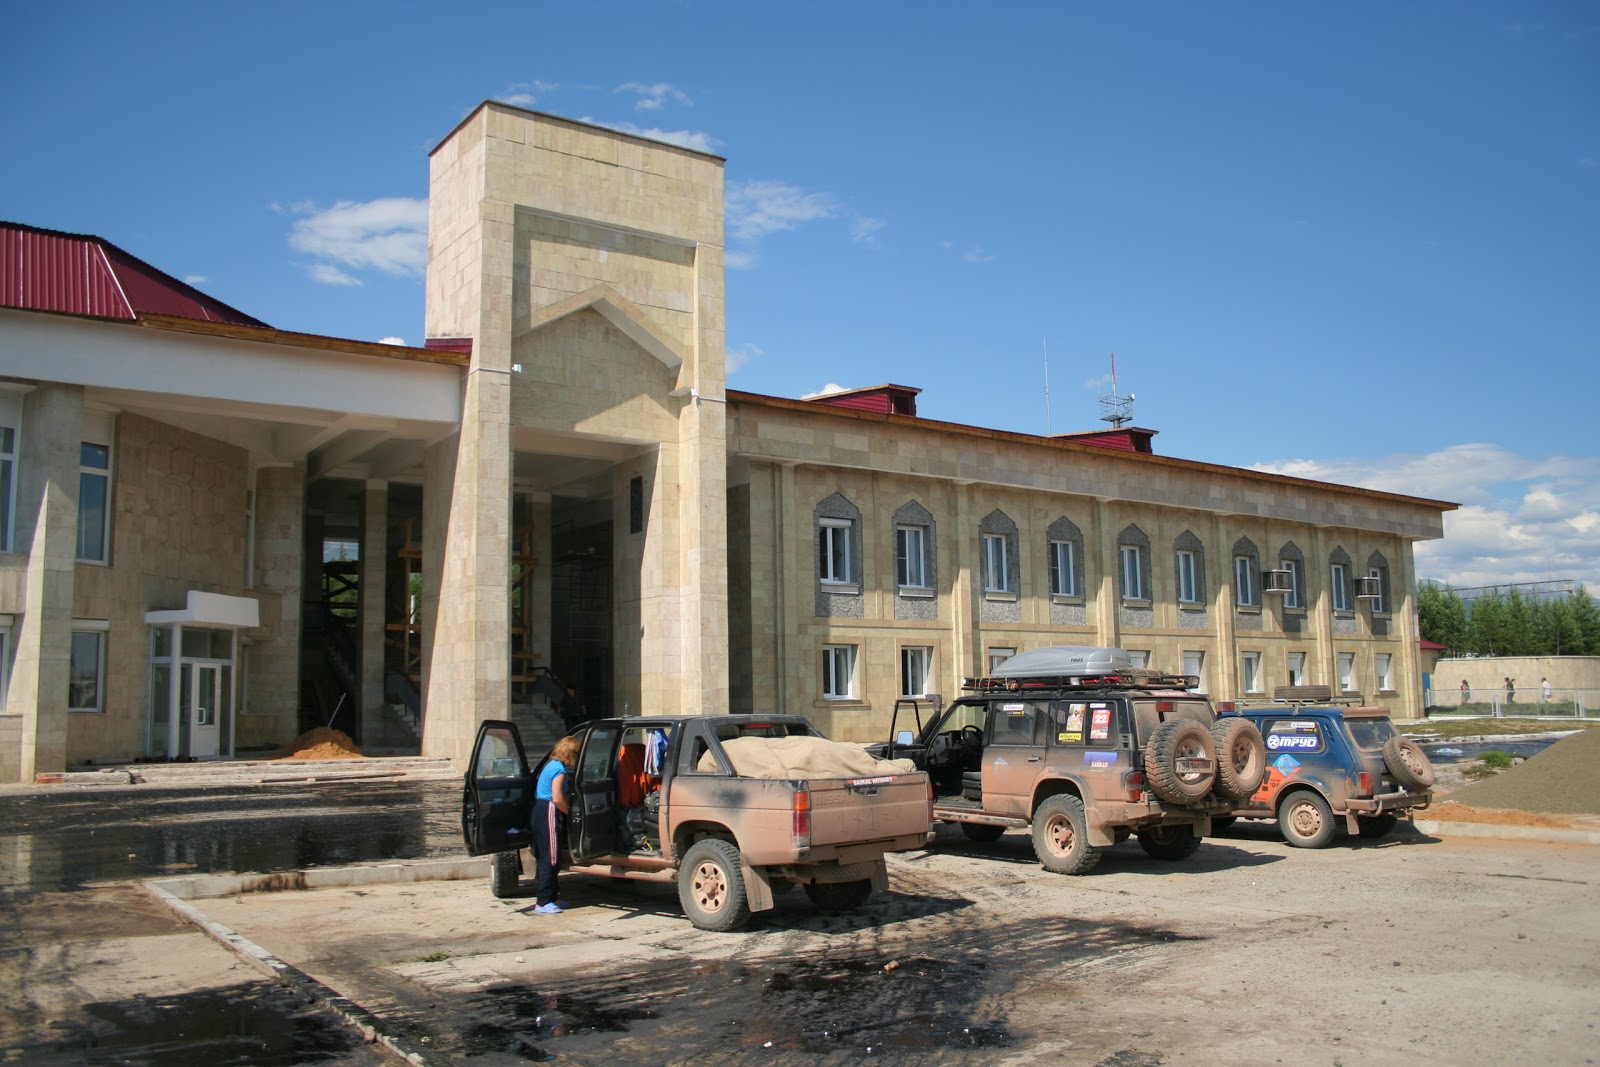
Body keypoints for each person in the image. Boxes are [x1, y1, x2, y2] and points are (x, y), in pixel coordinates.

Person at [532, 735, 580, 914]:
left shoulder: (550, 765)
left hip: (540, 810)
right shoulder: (559, 770)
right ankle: (543, 901)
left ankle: (552, 896)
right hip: (549, 811)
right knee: (551, 858)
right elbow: (558, 797)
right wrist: (570, 812)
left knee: (548, 855)